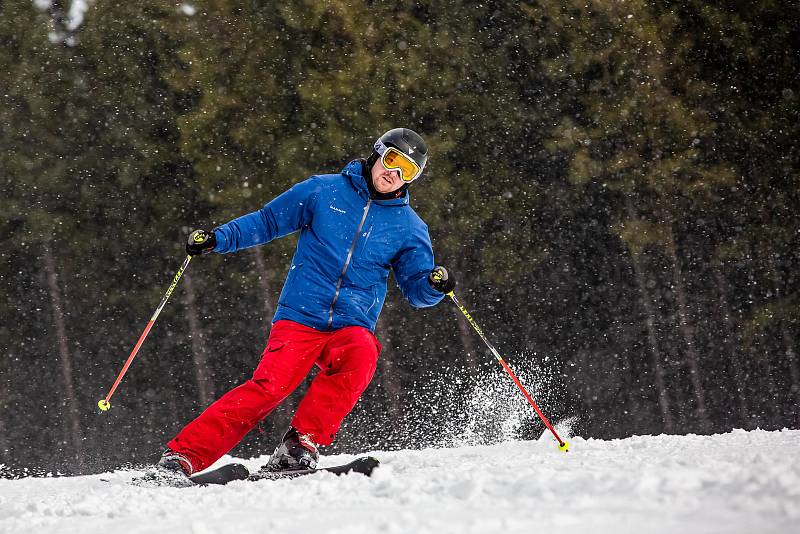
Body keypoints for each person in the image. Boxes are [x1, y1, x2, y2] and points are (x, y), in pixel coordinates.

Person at [157, 128, 455, 480]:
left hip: (350, 324)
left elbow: (417, 291)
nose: (394, 174)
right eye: (392, 161)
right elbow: (268, 221)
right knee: (269, 388)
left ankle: (299, 446)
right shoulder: (323, 190)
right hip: (301, 317)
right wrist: (218, 239)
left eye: (408, 171)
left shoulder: (409, 227)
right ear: (377, 154)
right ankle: (183, 457)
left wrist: (434, 285)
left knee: (362, 353)